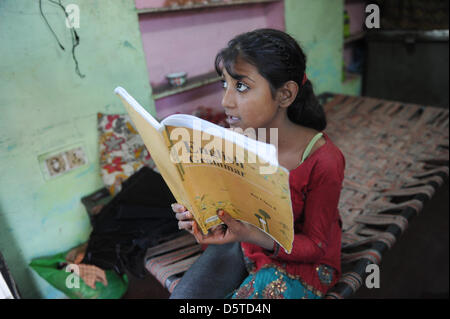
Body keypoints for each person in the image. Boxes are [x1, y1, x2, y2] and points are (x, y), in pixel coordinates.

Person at [170, 28, 345, 299]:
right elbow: (235, 206)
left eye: (241, 86)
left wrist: (252, 234)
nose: (225, 101)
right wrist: (201, 213)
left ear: (285, 95)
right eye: (224, 84)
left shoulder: (323, 161)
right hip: (244, 242)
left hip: (302, 260)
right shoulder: (237, 142)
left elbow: (316, 246)